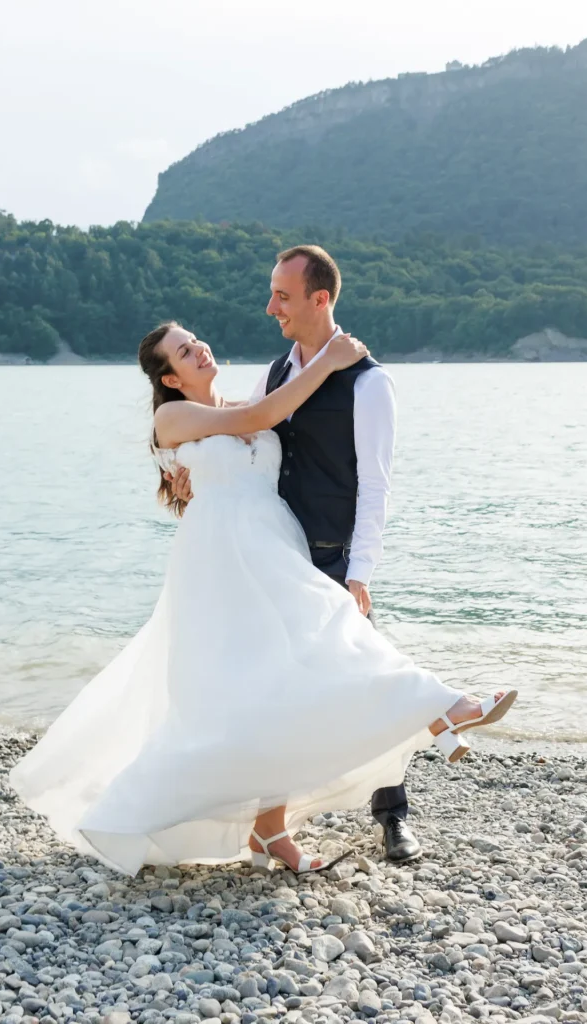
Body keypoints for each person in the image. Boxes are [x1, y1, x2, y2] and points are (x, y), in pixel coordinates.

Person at [9, 321, 517, 877]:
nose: (199, 347)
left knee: (278, 683)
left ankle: (271, 830)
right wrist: (328, 360)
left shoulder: (243, 398)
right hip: (223, 557)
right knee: (319, 638)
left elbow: (270, 431)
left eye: (196, 338)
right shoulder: (172, 417)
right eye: (183, 350)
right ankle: (444, 707)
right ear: (170, 378)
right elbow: (257, 421)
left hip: (274, 542)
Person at [168, 247, 409, 861]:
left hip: (330, 554)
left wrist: (360, 572)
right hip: (274, 553)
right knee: (274, 687)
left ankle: (392, 816)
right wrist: (193, 472)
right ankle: (268, 823)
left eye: (281, 295)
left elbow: (377, 486)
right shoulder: (276, 373)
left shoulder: (370, 382)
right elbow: (249, 431)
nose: (270, 305)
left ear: (318, 299)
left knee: (367, 674)